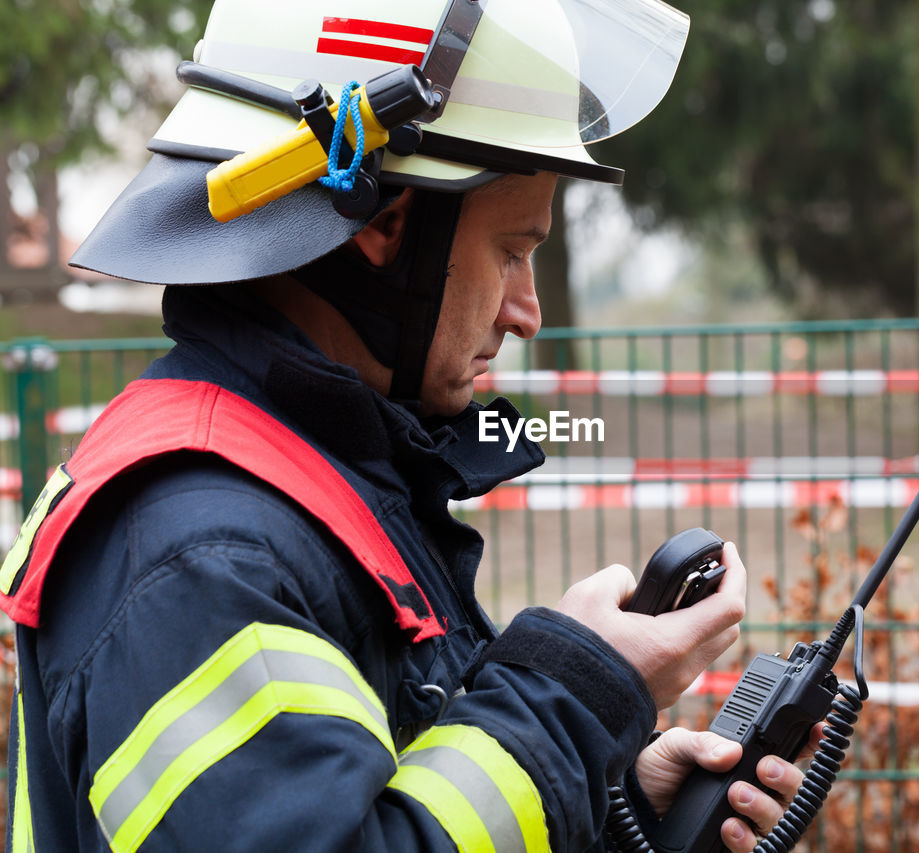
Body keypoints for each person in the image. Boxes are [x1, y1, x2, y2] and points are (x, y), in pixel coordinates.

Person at [1, 0, 821, 850]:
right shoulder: (201, 553)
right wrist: (574, 693)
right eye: (511, 251)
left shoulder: (313, 486)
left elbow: (406, 796)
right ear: (386, 228)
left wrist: (622, 815)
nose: (527, 311)